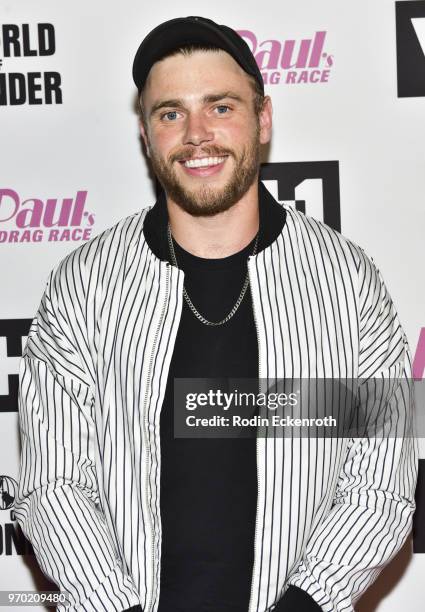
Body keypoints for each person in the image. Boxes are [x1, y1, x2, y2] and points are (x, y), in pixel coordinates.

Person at [15, 15, 417, 612]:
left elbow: (380, 483)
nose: (197, 134)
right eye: (171, 113)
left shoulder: (347, 282)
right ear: (148, 137)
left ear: (264, 119)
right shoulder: (84, 285)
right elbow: (53, 487)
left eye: (221, 107)